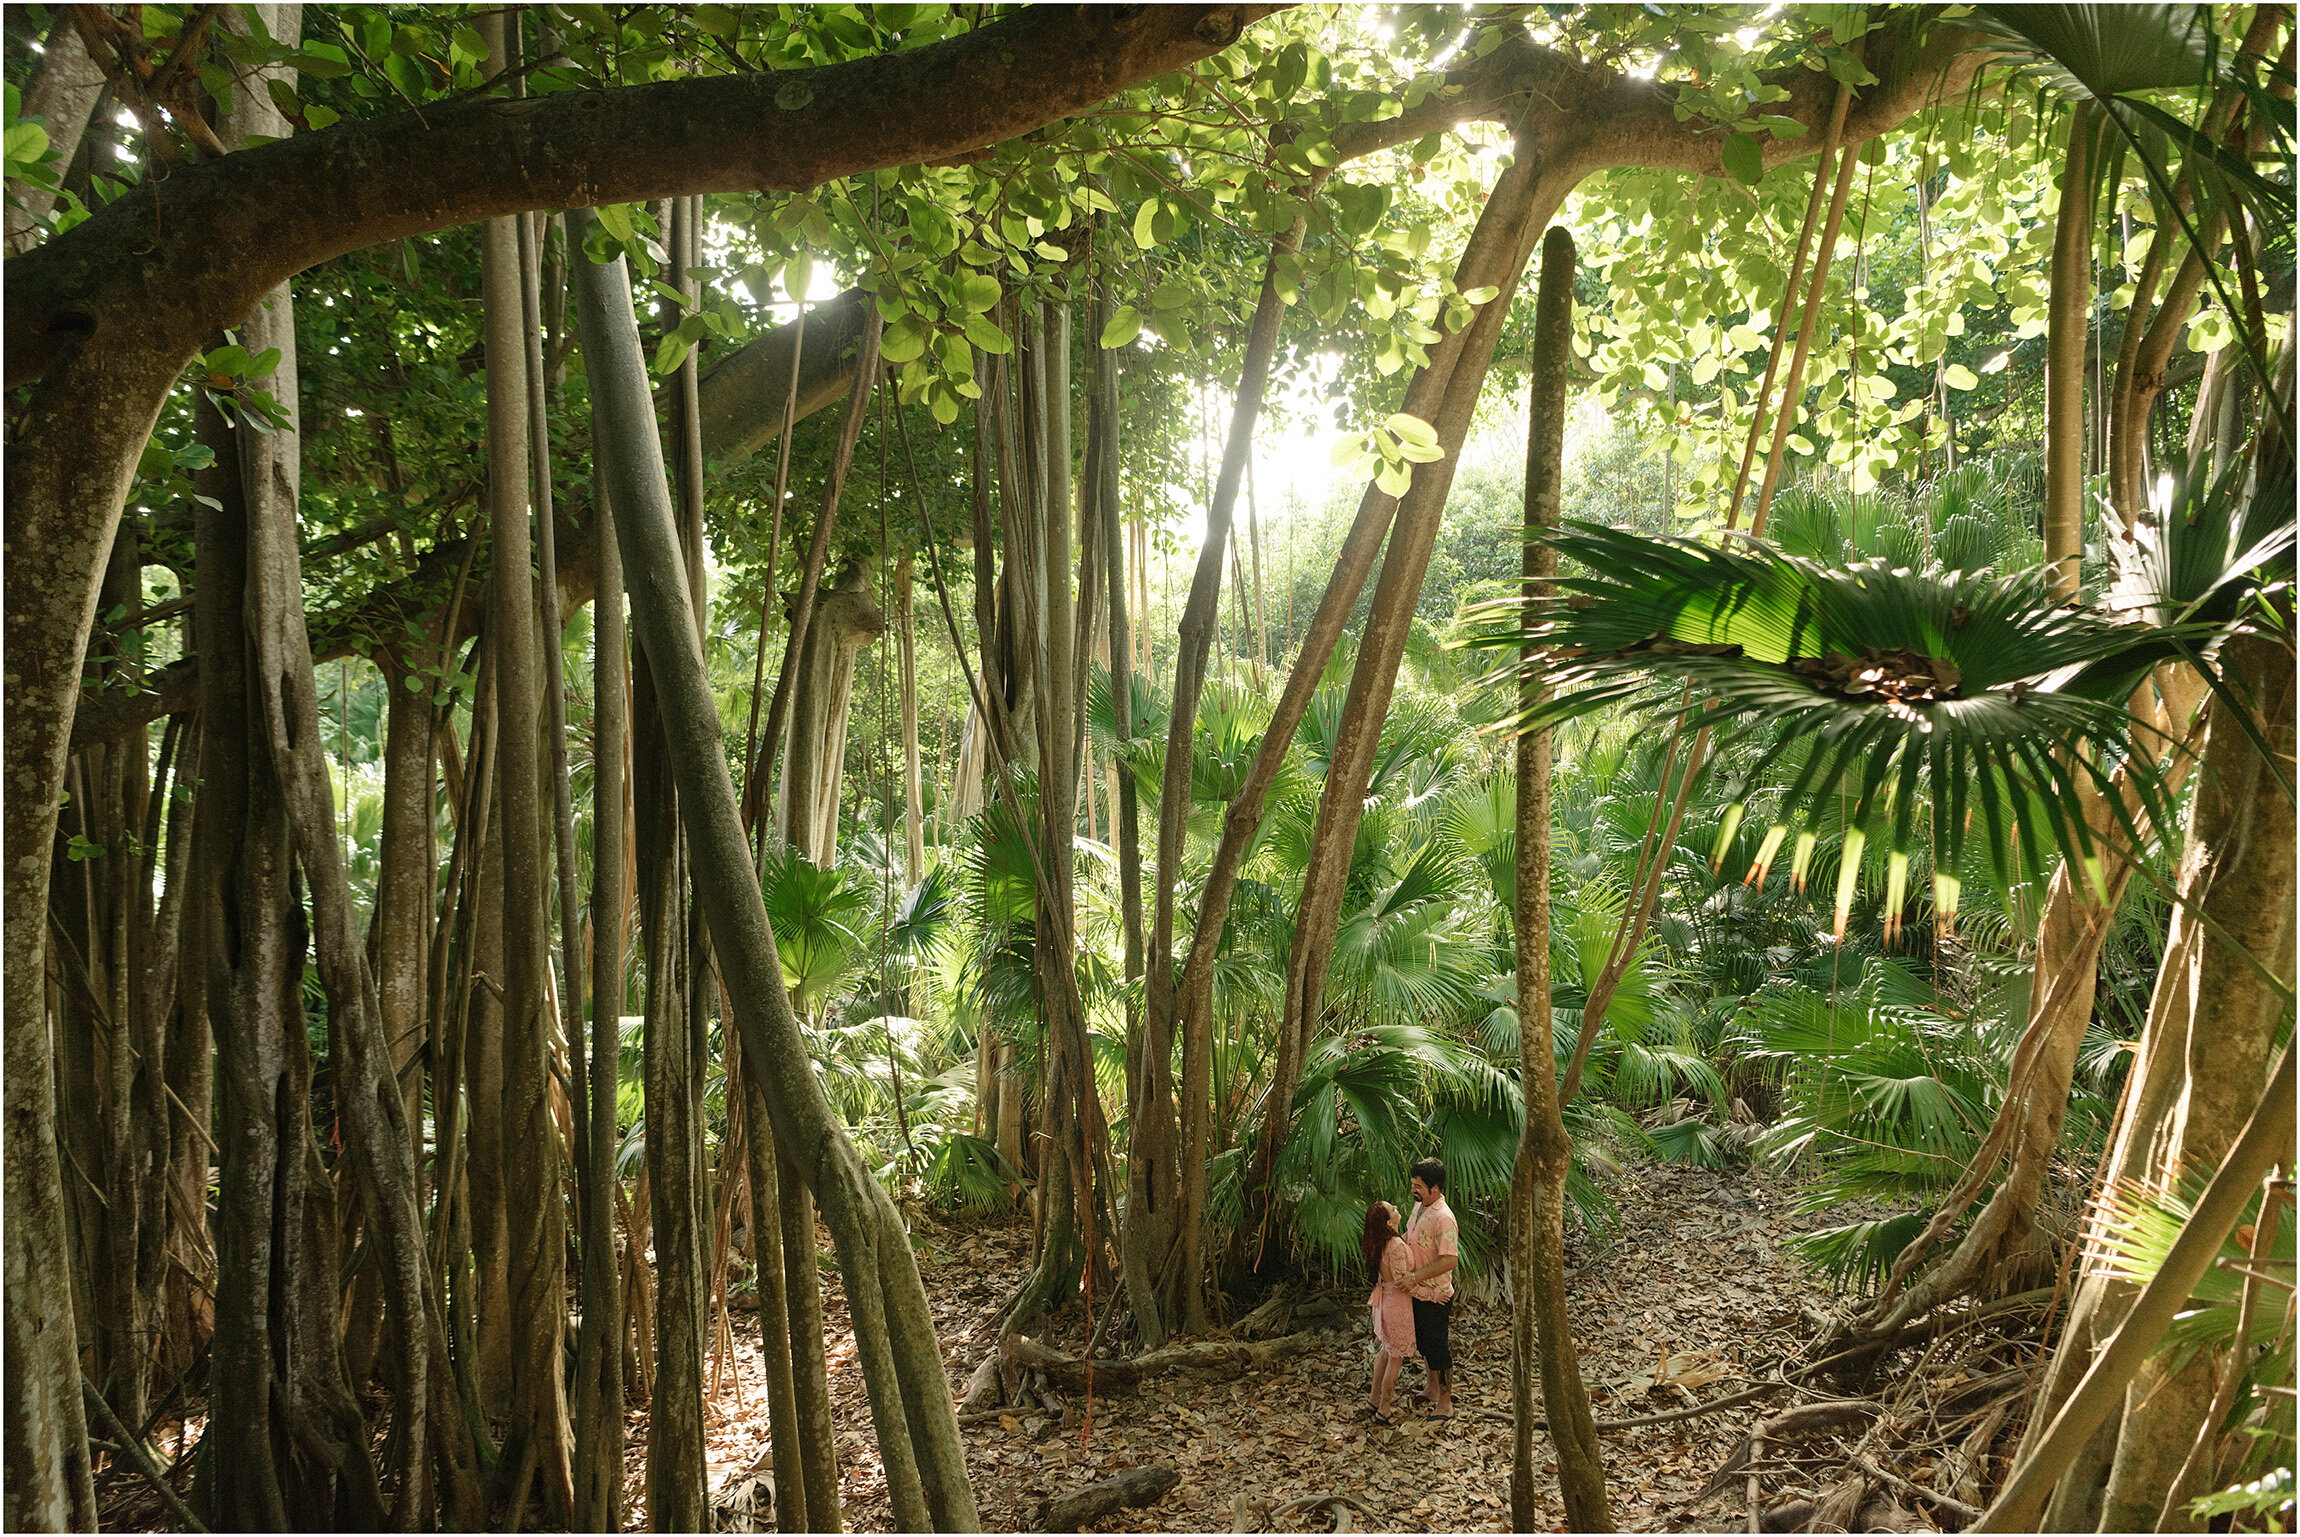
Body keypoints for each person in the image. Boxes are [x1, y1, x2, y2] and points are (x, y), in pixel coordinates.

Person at [1401, 1156, 1459, 1420]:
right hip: (1416, 1291)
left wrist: (1417, 1276)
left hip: (1435, 1295)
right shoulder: (1420, 1207)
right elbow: (1410, 1236)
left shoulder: (1444, 1218)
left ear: (1434, 1188)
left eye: (1418, 1185)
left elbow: (1450, 1260)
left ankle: (1445, 1404)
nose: (1413, 1189)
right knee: (1424, 1345)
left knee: (1438, 1348)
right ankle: (1432, 1388)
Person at [1361, 1201, 1413, 1424]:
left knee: (1386, 1351)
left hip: (1384, 1301)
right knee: (1396, 1358)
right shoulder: (1396, 1245)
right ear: (1389, 1222)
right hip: (1397, 1305)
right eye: (1393, 1209)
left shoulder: (1378, 1242)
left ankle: (1373, 1399)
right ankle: (1384, 1408)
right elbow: (1403, 1280)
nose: (1397, 1209)